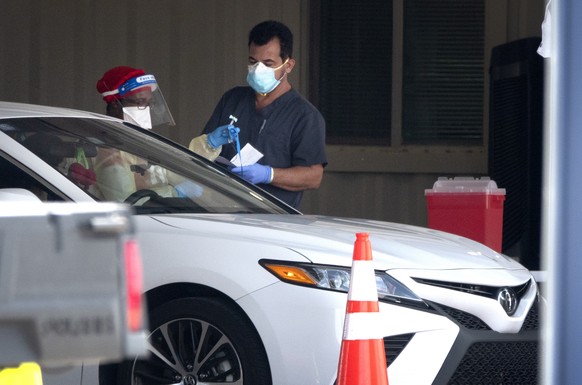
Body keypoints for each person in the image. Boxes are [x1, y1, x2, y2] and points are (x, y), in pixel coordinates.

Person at [200, 20, 327, 209]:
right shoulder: (233, 99)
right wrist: (208, 144)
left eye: (268, 63)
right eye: (253, 62)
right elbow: (202, 152)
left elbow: (313, 177)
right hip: (220, 212)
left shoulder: (305, 116)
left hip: (271, 220)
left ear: (288, 65)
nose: (259, 70)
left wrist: (269, 174)